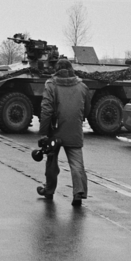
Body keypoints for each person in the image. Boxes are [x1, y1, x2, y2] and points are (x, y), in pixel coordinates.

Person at [37, 59, 92, 206]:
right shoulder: (82, 86)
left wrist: (43, 132)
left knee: (51, 160)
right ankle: (78, 192)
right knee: (76, 163)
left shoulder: (51, 85)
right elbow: (87, 109)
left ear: (56, 70)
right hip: (74, 129)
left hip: (55, 130)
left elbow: (46, 110)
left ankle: (49, 190)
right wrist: (79, 119)